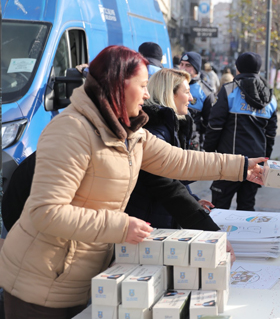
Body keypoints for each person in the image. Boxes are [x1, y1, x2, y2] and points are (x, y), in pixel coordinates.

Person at [0, 45, 265, 319]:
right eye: (142, 85)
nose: (148, 94)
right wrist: (121, 225)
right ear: (119, 85)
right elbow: (46, 212)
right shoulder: (72, 130)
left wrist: (241, 166)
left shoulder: (128, 132)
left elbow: (180, 160)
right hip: (38, 284)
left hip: (82, 279)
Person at [125, 68, 218, 230]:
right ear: (170, 94)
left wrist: (192, 198)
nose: (191, 98)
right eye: (187, 92)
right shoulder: (156, 131)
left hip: (159, 217)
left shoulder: (169, 127)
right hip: (149, 222)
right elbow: (168, 183)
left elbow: (175, 180)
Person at [204, 52, 278, 211]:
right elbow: (271, 134)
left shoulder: (229, 90)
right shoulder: (270, 98)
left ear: (237, 68)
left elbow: (215, 125)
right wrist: (265, 161)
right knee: (247, 207)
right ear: (258, 70)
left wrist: (208, 153)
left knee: (219, 209)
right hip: (256, 162)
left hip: (229, 162)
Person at [179, 51, 213, 150]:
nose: (183, 68)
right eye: (181, 64)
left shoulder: (206, 92)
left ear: (196, 69)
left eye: (188, 65)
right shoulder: (172, 85)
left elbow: (209, 123)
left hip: (193, 143)